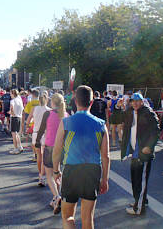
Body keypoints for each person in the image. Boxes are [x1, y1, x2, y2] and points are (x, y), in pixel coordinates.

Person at [52, 85, 110, 228]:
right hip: (92, 172)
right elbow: (106, 156)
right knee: (88, 217)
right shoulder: (101, 124)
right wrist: (105, 179)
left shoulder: (66, 122)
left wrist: (55, 170)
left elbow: (57, 150)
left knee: (68, 216)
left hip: (71, 170)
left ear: (75, 101)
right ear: (91, 102)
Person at [121, 93, 160, 216]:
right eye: (133, 101)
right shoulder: (130, 112)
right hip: (134, 152)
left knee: (141, 180)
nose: (135, 103)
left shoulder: (148, 113)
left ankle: (138, 208)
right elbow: (125, 123)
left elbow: (156, 131)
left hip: (143, 152)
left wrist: (149, 146)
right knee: (135, 179)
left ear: (142, 102)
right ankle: (140, 200)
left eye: (138, 101)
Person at [36, 93, 69, 214]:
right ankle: (56, 199)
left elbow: (41, 129)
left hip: (50, 146)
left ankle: (57, 197)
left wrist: (37, 142)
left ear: (52, 103)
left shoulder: (48, 114)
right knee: (57, 173)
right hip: (62, 149)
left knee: (49, 174)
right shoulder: (66, 115)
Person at [27, 93, 51, 186]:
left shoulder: (34, 108)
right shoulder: (49, 110)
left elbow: (28, 120)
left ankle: (40, 174)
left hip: (36, 133)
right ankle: (42, 176)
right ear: (47, 100)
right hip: (45, 134)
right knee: (44, 156)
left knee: (38, 155)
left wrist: (30, 125)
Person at [9, 89, 24, 154]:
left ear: (13, 94)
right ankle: (20, 146)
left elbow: (11, 108)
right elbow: (22, 109)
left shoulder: (13, 100)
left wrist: (12, 113)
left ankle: (16, 148)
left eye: (11, 94)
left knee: (14, 134)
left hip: (14, 117)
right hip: (19, 117)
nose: (10, 95)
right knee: (17, 133)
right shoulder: (19, 100)